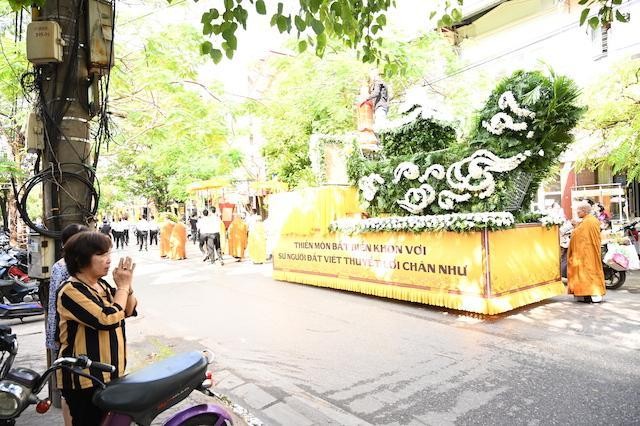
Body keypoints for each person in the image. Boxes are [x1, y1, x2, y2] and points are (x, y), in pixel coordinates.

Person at [56, 231, 137, 425]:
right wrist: (122, 288)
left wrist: (127, 286)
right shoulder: (70, 290)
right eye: (101, 254)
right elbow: (107, 319)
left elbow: (127, 309)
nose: (108, 260)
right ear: (80, 260)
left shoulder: (101, 284)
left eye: (109, 253)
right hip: (84, 379)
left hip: (110, 373)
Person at [46, 224, 88, 426]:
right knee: (70, 390)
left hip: (66, 334)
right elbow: (57, 305)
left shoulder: (74, 265)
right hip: (65, 336)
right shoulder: (63, 267)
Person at [567, 201, 606, 303]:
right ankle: (584, 294)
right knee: (591, 272)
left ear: (584, 211)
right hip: (590, 252)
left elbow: (577, 236)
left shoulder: (587, 222)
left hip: (586, 253)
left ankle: (593, 293)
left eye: (578, 211)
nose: (577, 213)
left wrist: (575, 227)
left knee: (588, 273)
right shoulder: (592, 220)